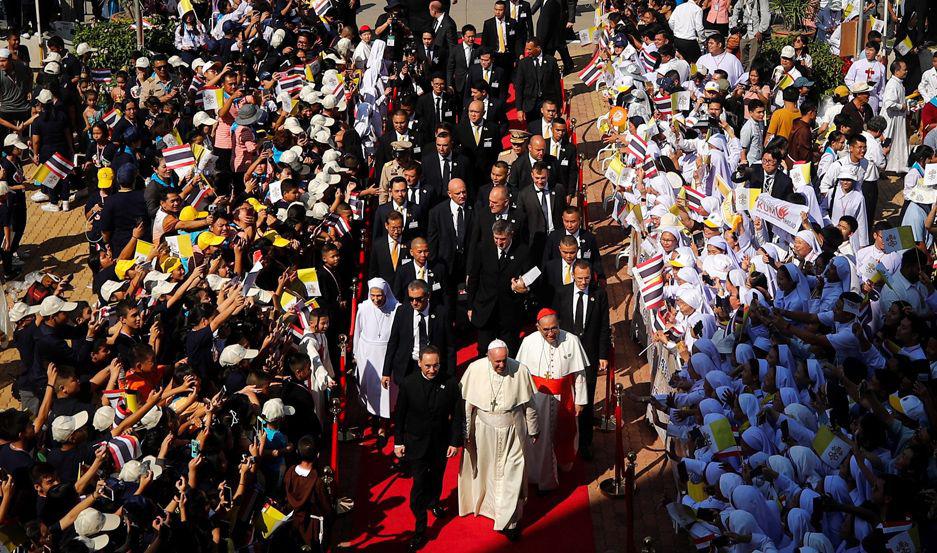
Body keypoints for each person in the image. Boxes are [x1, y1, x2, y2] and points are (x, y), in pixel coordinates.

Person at [458, 340, 538, 540]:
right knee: (488, 472)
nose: (502, 366)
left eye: (504, 361)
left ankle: (510, 522)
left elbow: (529, 404)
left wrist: (534, 429)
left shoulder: (520, 370)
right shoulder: (475, 369)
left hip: (513, 430)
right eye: (497, 362)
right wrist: (465, 435)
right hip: (484, 431)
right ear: (488, 357)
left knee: (512, 474)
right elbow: (468, 407)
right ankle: (490, 509)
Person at [394, 345, 462, 551]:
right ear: (420, 364)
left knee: (437, 476)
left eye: (436, 365)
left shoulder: (449, 383)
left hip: (440, 442)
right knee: (419, 484)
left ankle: (434, 501)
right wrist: (398, 442)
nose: (433, 370)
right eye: (429, 366)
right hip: (416, 443)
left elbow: (457, 415)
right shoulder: (408, 384)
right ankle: (420, 528)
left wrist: (454, 441)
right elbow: (400, 415)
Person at [515, 308, 587, 490]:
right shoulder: (528, 342)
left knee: (566, 433)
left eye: (554, 328)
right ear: (537, 327)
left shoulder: (571, 340)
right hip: (537, 399)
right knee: (540, 440)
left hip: (565, 397)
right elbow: (521, 374)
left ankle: (563, 464)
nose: (550, 333)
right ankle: (539, 475)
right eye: (545, 329)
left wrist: (580, 400)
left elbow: (579, 374)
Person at [353, 278, 400, 444]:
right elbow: (357, 331)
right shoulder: (364, 308)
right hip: (367, 354)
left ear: (385, 293)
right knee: (367, 388)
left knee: (385, 392)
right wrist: (356, 354)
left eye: (379, 296)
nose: (376, 299)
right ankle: (371, 417)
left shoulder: (396, 309)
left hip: (386, 355)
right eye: (372, 295)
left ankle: (383, 426)